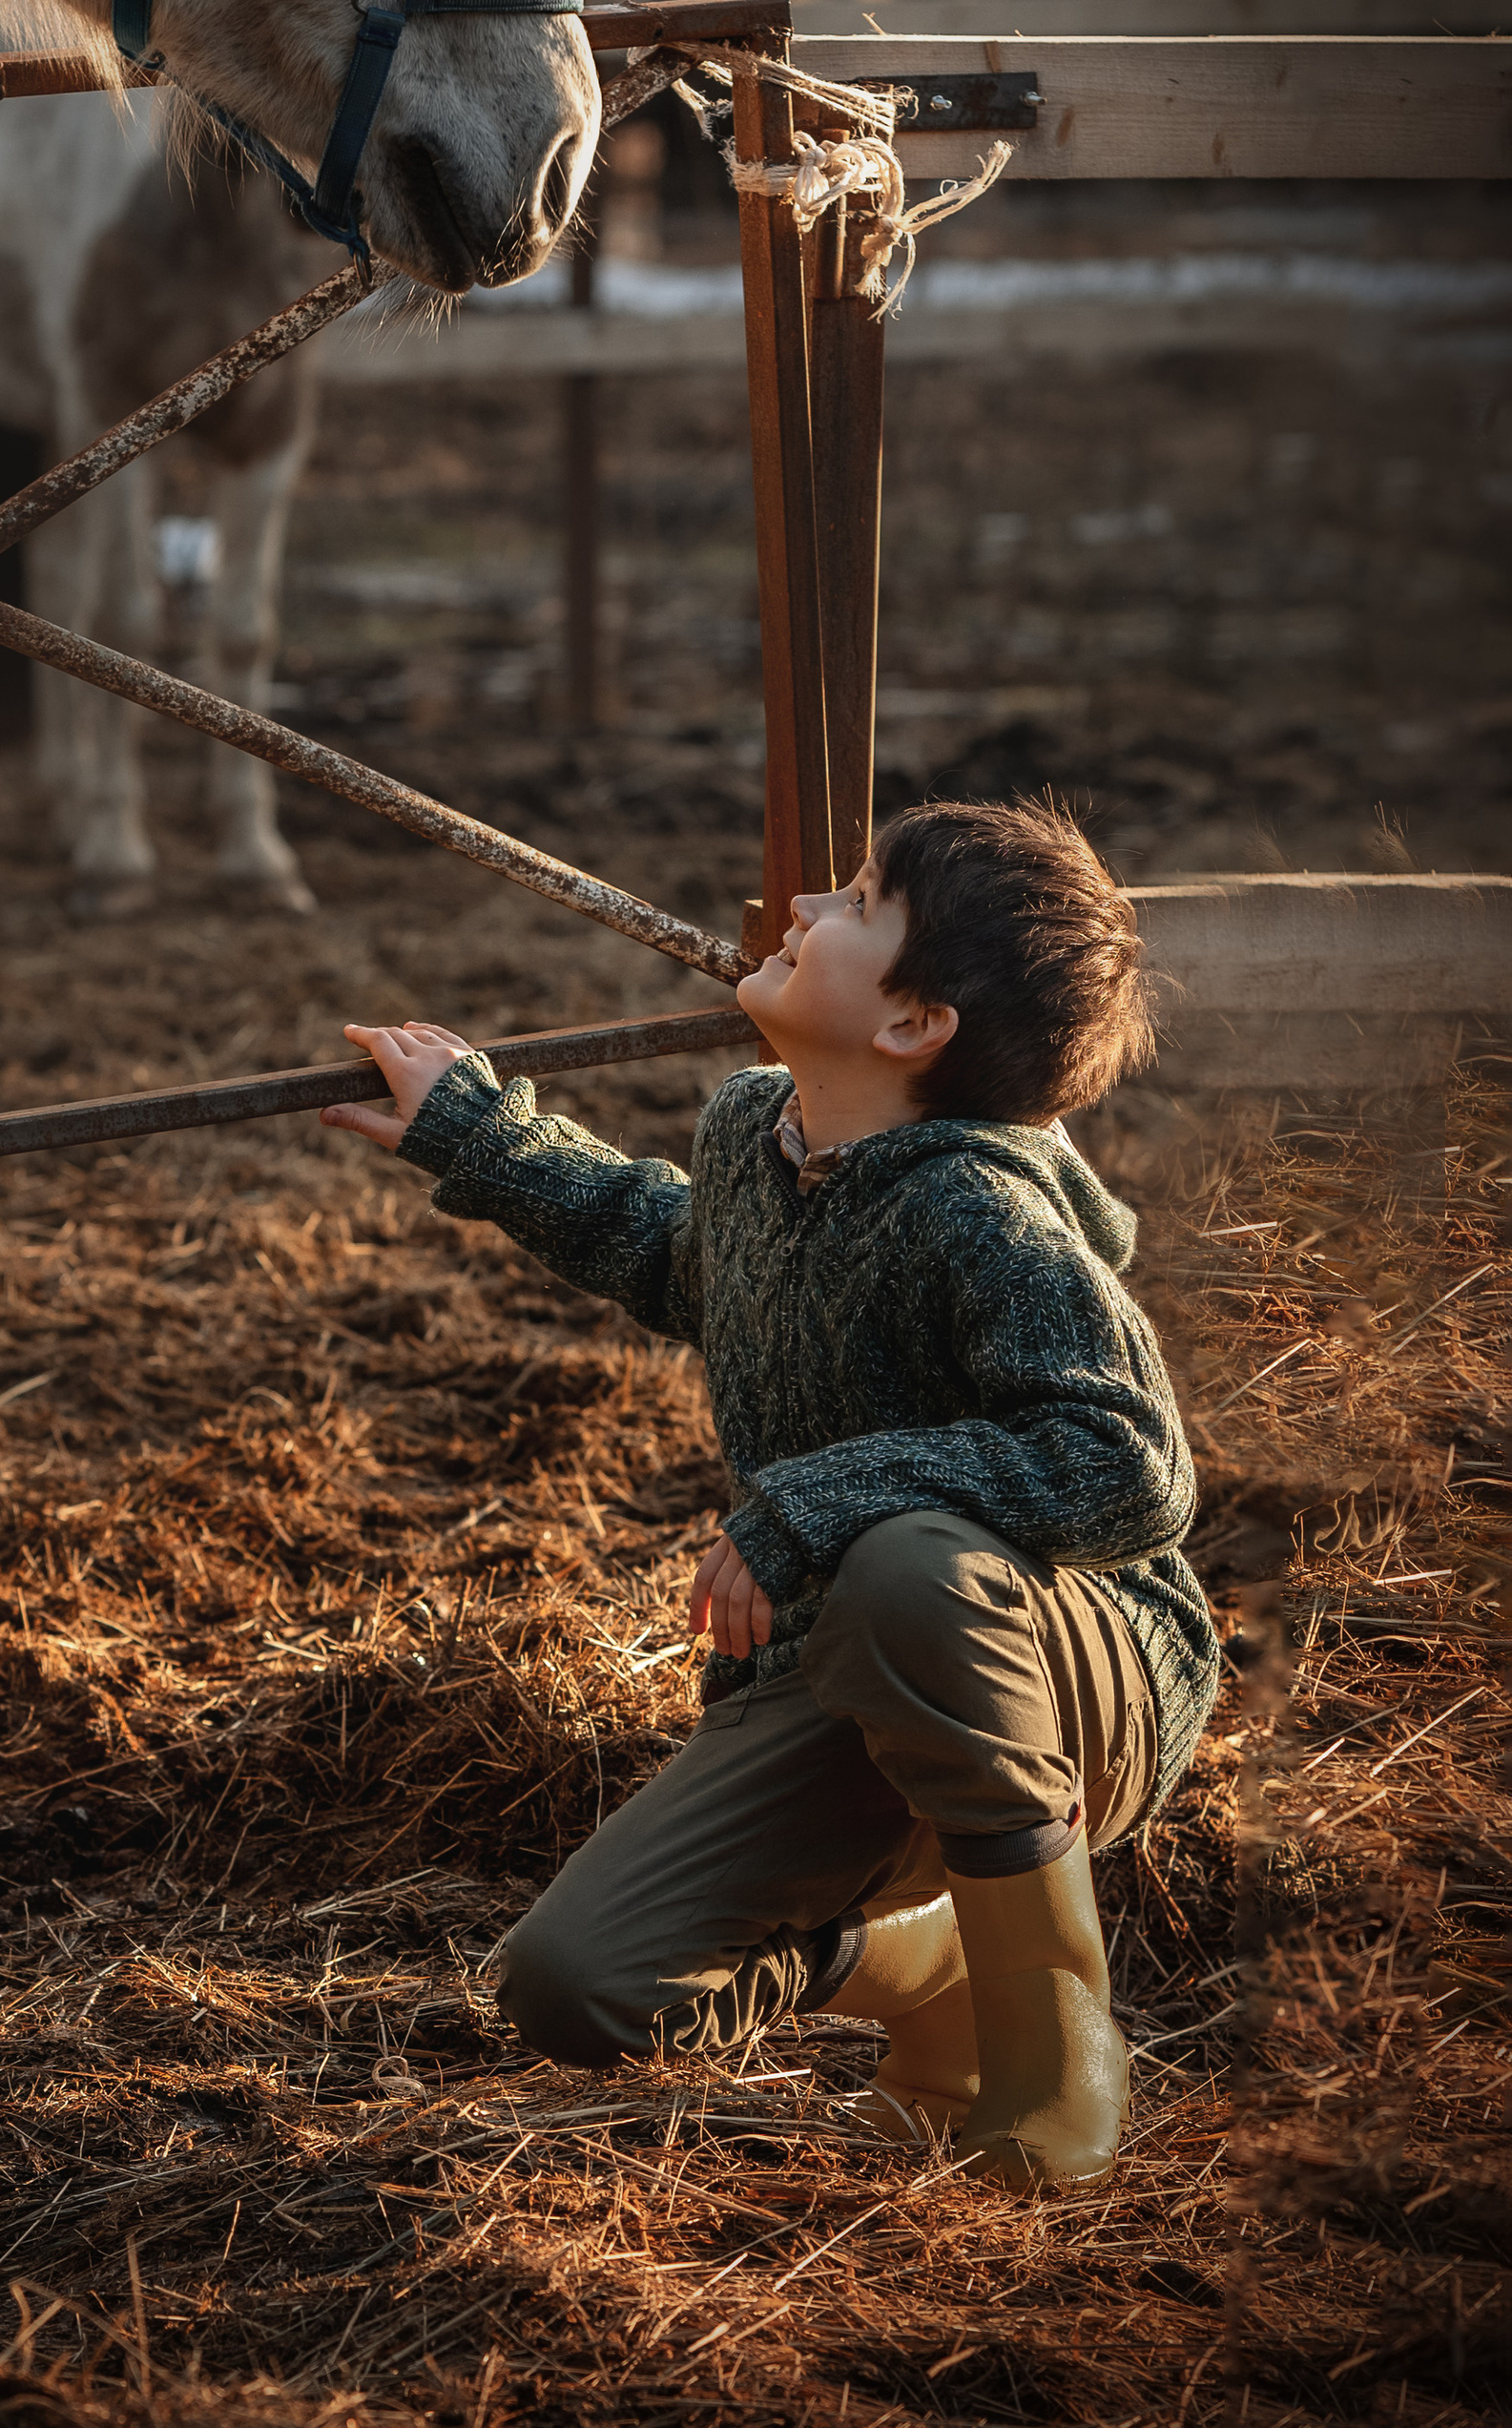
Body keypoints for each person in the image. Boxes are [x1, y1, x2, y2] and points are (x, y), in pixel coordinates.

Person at [321, 798, 1215, 2194]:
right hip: (839, 1672)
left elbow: (1131, 1461)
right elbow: (681, 1253)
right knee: (577, 1985)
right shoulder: (755, 1132)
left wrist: (809, 1503)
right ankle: (936, 1967)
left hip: (1070, 1671)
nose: (804, 909)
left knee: (907, 1558)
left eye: (857, 901)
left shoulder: (980, 1207)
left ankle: (1055, 2059)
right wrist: (479, 1137)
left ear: (916, 1022)